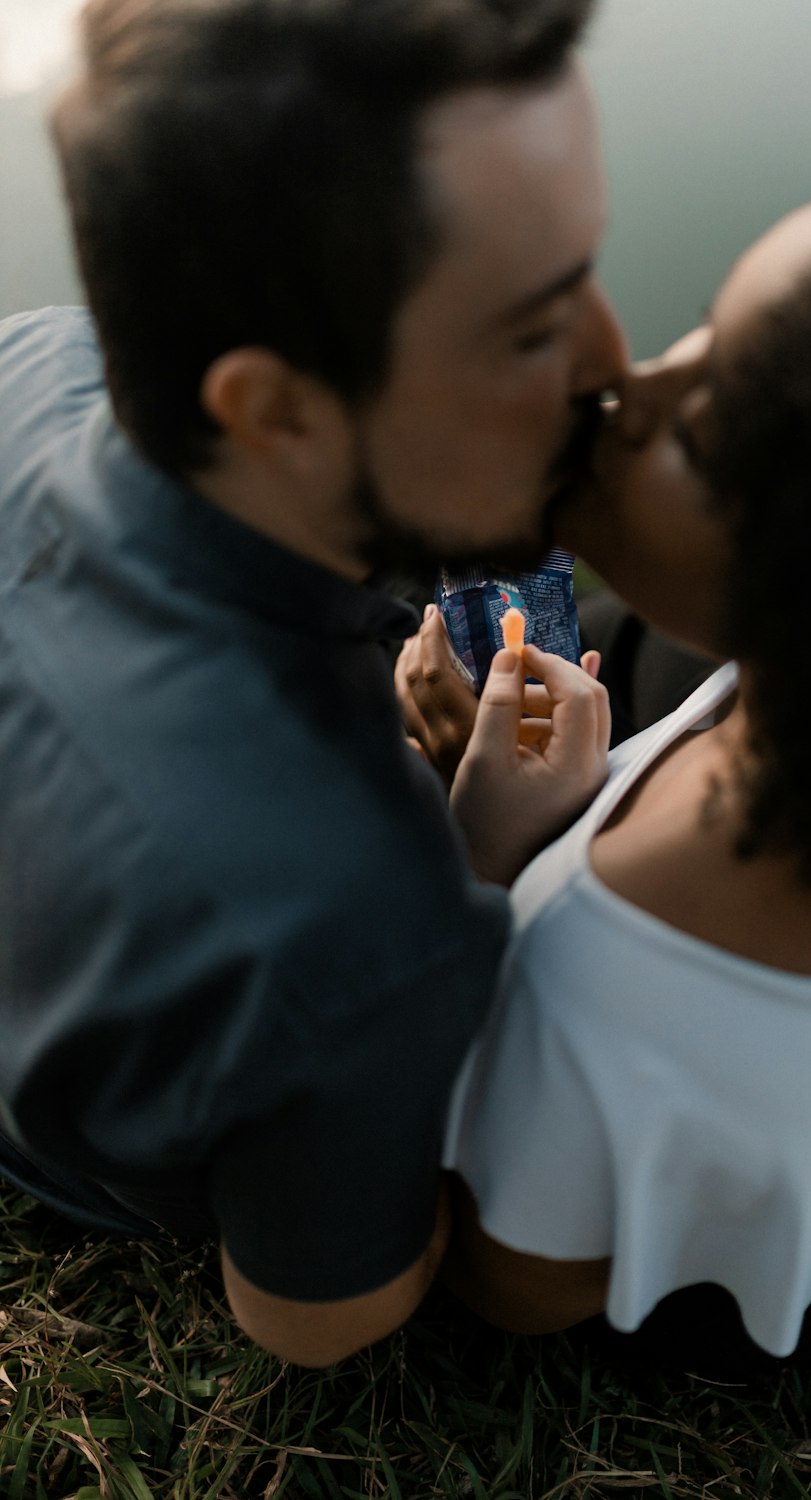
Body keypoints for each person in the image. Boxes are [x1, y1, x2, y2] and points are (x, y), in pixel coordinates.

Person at [0, 0, 624, 1368]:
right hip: (103, 1119)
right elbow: (322, 1326)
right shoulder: (353, 924)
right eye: (528, 335)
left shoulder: (35, 354)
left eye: (588, 271)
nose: (616, 365)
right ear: (271, 407)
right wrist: (484, 855)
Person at [399, 121, 811, 1370]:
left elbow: (511, 1291)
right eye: (705, 337)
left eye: (704, 430)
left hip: (701, 1294)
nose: (635, 389)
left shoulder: (601, 987)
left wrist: (490, 850)